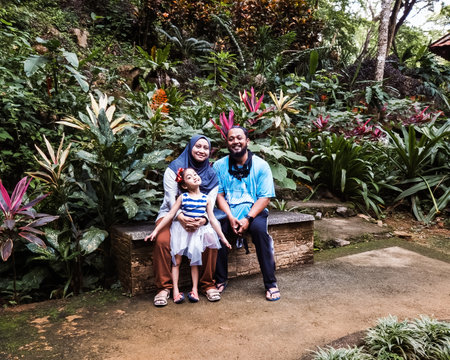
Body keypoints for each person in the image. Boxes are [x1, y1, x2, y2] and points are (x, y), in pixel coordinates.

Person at [148, 135, 223, 306]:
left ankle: (207, 285)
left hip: (199, 218)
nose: (202, 150)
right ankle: (164, 288)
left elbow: (209, 206)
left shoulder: (211, 176)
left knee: (211, 241)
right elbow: (169, 199)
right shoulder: (174, 169)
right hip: (171, 214)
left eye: (206, 147)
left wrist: (203, 220)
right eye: (198, 146)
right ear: (190, 147)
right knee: (162, 241)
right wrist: (181, 217)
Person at [213, 126, 280, 301]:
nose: (235, 141)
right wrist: (229, 216)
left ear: (247, 141)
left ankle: (271, 283)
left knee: (259, 233)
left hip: (254, 212)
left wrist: (248, 218)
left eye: (239, 138)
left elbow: (265, 198)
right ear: (227, 143)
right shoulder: (219, 165)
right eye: (231, 139)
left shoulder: (261, 165)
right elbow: (219, 195)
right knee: (217, 232)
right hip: (229, 212)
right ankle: (220, 279)